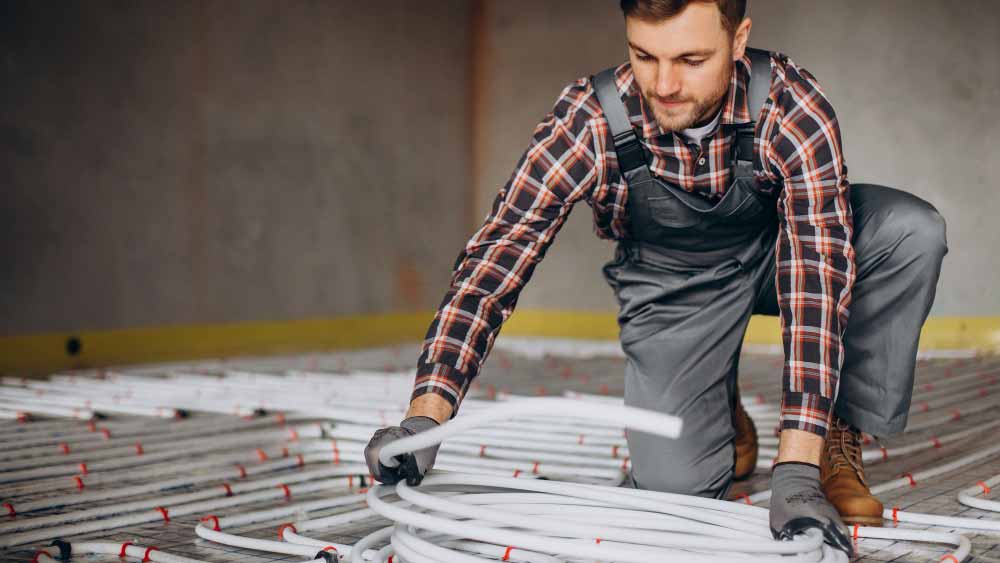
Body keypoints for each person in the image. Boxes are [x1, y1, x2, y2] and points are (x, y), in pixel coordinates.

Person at [364, 0, 947, 555]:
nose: (663, 85)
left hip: (780, 253)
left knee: (908, 230)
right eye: (645, 56)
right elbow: (497, 258)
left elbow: (815, 274)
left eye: (691, 60)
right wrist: (425, 420)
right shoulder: (590, 118)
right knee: (673, 491)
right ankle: (720, 404)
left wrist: (795, 469)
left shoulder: (790, 105)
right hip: (673, 287)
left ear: (737, 40)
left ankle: (836, 439)